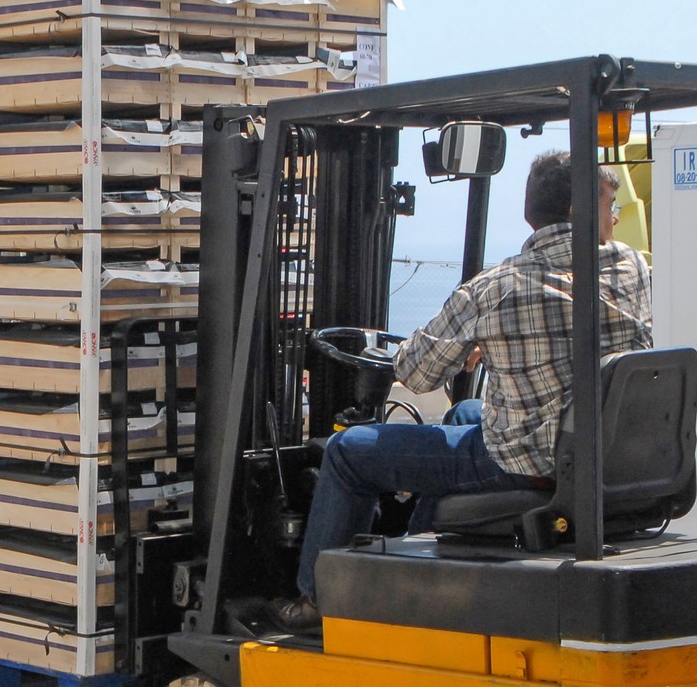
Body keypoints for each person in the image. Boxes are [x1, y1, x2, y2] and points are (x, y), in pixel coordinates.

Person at [267, 151, 652, 632]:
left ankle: (317, 598)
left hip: (524, 462)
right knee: (468, 410)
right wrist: (496, 345)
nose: (614, 217)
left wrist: (478, 339)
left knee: (347, 450)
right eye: (609, 205)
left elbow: (416, 371)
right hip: (597, 451)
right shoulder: (633, 269)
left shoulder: (495, 289)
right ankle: (419, 548)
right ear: (578, 212)